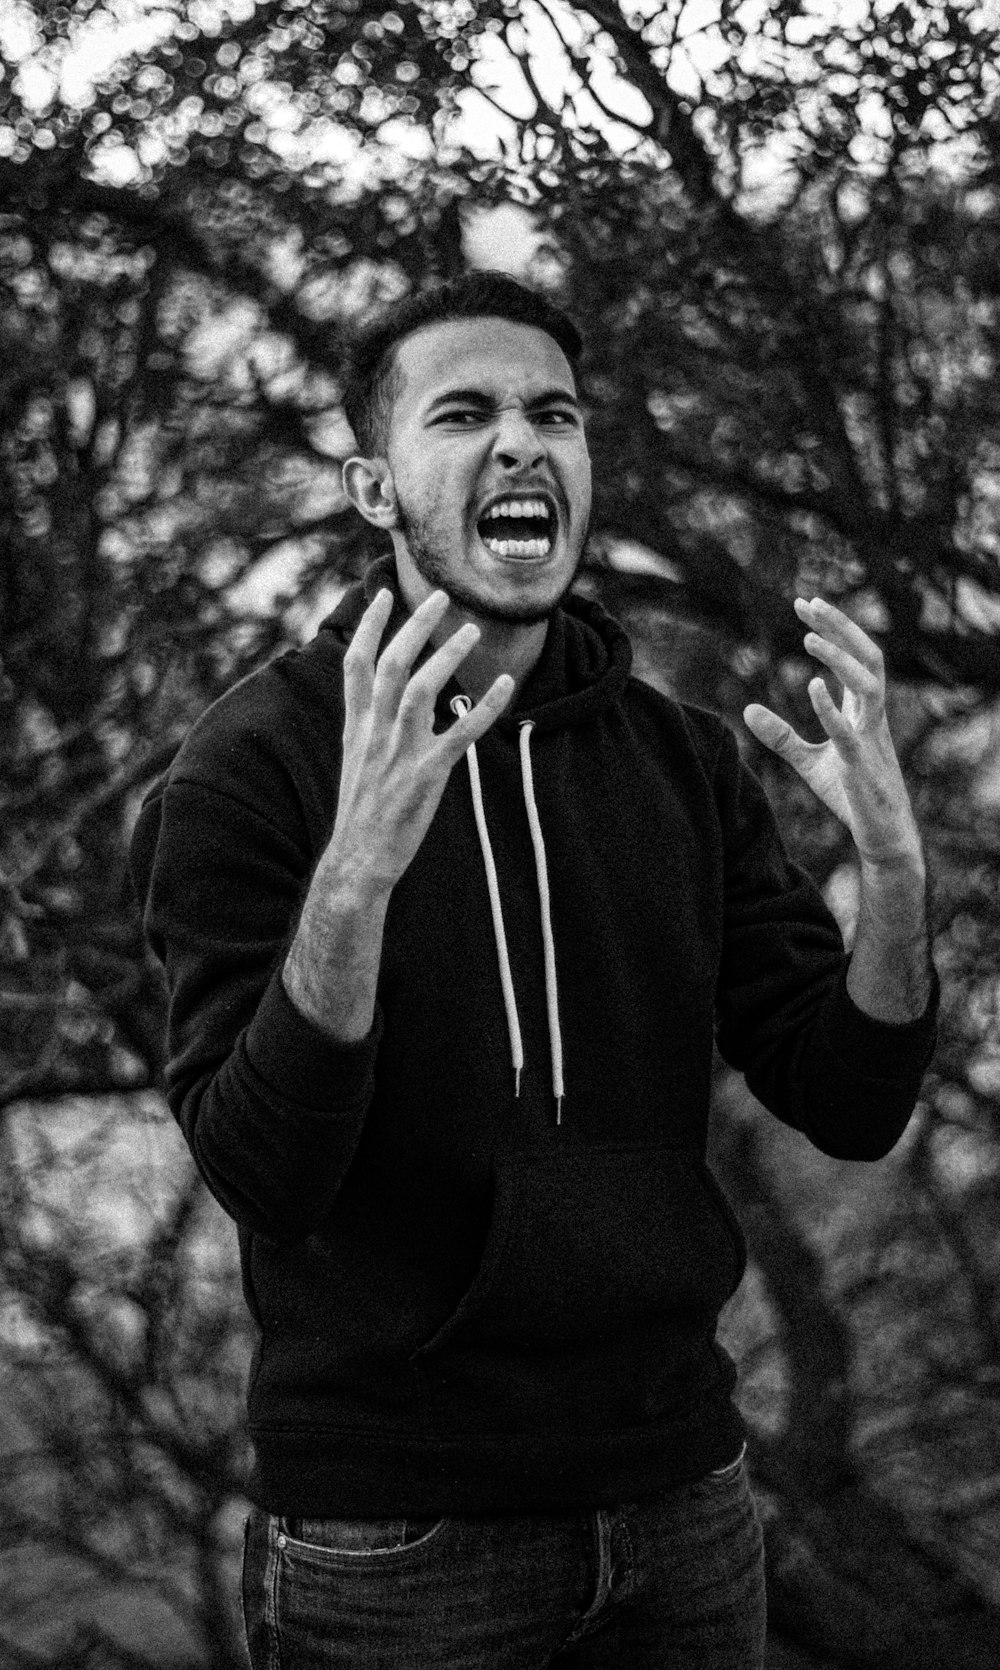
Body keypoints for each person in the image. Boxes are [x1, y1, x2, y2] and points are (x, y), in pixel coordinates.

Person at [130, 271, 938, 1670]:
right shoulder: (253, 767)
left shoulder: (678, 758)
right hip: (398, 1542)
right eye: (466, 413)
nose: (522, 442)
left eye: (553, 413)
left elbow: (850, 1094)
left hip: (681, 1499)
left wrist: (899, 882)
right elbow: (264, 1170)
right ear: (376, 487)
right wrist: (358, 875)